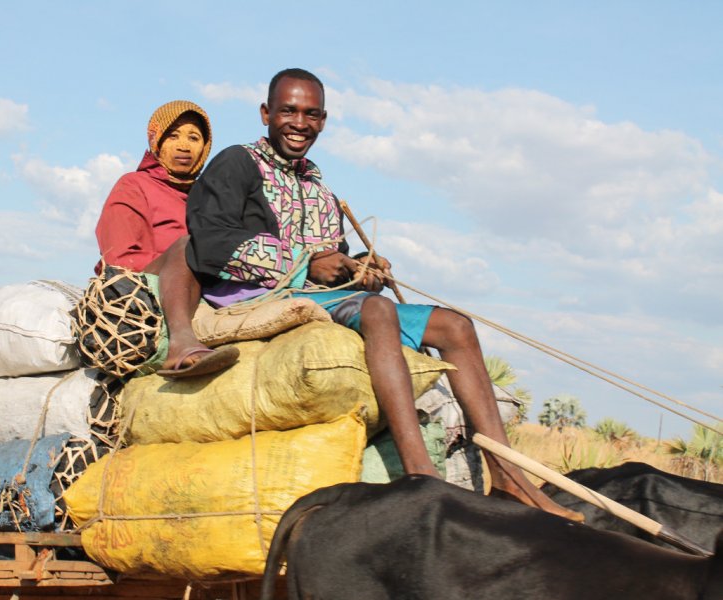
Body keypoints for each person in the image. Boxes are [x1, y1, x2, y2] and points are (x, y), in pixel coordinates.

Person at [184, 68, 583, 521]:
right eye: (288, 111)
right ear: (266, 114)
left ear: (324, 120)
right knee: (377, 312)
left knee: (455, 325)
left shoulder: (318, 186)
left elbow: (333, 261)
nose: (299, 123)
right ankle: (421, 474)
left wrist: (360, 268)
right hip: (256, 297)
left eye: (311, 114)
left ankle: (508, 475)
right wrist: (303, 262)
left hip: (321, 296)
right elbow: (209, 240)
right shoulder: (237, 163)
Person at [95, 100, 238, 377]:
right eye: (173, 136)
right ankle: (181, 341)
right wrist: (184, 265)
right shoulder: (133, 185)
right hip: (139, 287)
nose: (184, 146)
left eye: (194, 137)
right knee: (188, 246)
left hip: (200, 286)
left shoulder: (209, 197)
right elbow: (118, 258)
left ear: (205, 147)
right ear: (156, 140)